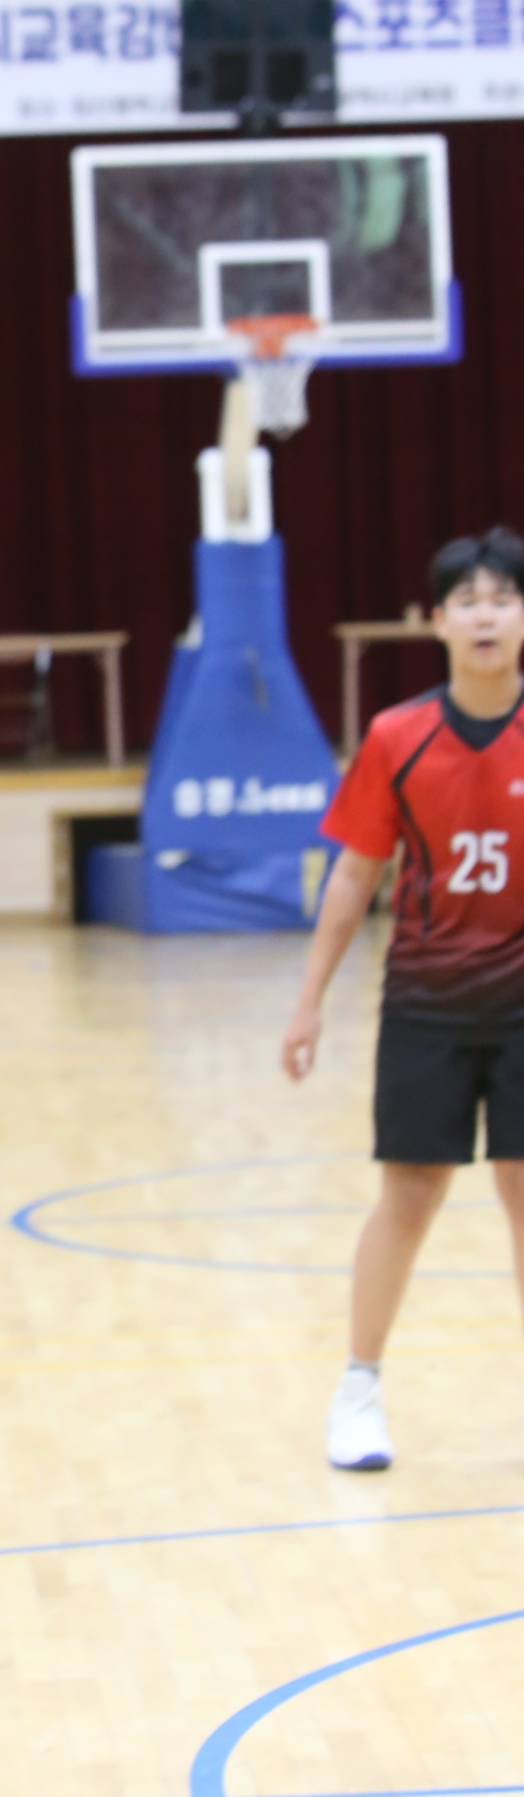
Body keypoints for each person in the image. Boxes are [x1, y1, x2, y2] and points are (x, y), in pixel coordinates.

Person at [283, 525, 524, 1471]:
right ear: (436, 621)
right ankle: (358, 1387)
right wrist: (308, 1002)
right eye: (467, 602)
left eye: (502, 599)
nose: (485, 617)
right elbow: (354, 877)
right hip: (427, 1005)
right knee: (410, 1196)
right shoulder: (397, 736)